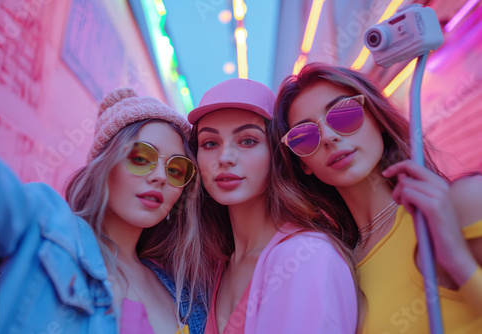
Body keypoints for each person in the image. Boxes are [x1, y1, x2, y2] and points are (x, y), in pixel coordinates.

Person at [272, 62, 482, 333]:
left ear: (377, 119)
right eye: (304, 136)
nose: (329, 137)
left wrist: (454, 255)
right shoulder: (337, 265)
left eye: (344, 114)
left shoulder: (460, 202)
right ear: (303, 164)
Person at [0, 87, 206, 334]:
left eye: (176, 169)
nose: (161, 177)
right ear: (105, 164)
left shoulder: (186, 298)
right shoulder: (44, 228)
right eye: (141, 158)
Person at [185, 78, 359, 334]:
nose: (224, 158)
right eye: (210, 143)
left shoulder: (305, 256)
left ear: (277, 153)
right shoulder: (217, 266)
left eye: (247, 141)